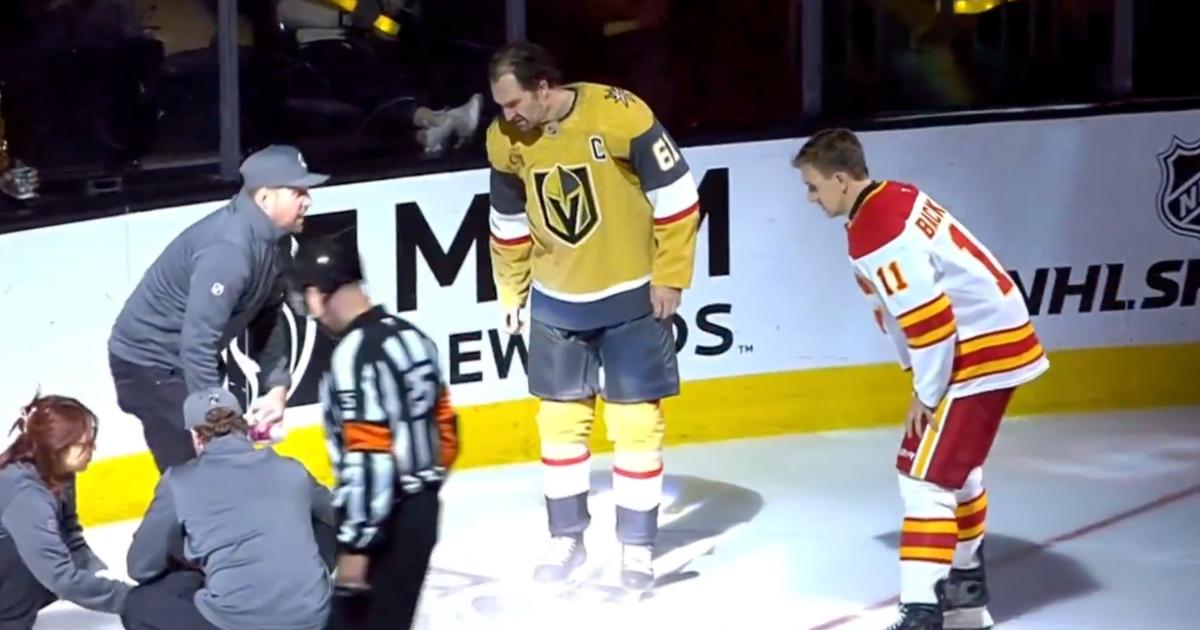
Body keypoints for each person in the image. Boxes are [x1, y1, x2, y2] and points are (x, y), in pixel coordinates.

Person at [793, 128, 1050, 630]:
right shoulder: (893, 196)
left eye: (814, 185)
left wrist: (926, 392)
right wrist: (917, 371)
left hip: (977, 353)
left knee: (924, 477)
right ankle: (967, 602)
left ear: (842, 180)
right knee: (955, 470)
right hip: (988, 340)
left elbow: (930, 321)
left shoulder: (877, 229)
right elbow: (902, 313)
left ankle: (922, 613)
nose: (810, 197)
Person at [485, 40, 700, 590]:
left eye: (514, 103)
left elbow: (678, 198)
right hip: (557, 304)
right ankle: (566, 539)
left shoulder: (621, 113)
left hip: (631, 299)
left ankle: (637, 550)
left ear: (542, 87)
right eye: (500, 106)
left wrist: (671, 275)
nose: (507, 116)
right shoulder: (505, 140)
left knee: (636, 427)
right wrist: (511, 292)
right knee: (559, 429)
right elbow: (507, 224)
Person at [108, 144, 330, 472]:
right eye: (297, 191)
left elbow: (267, 317)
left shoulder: (276, 240)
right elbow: (197, 343)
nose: (308, 200)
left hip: (180, 365)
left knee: (214, 472)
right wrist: (211, 420)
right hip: (150, 367)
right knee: (205, 475)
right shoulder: (229, 251)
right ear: (265, 198)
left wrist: (276, 386)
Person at [282, 235, 459, 630]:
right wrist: (422, 492)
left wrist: (356, 549)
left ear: (317, 294)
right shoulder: (414, 338)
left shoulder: (353, 357)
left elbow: (369, 459)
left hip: (383, 525)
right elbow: (447, 431)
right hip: (421, 514)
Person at [121, 388, 336, 630]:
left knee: (137, 605)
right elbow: (338, 516)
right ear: (243, 426)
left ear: (195, 435)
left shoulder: (179, 482)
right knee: (320, 519)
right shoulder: (292, 469)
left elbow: (141, 567)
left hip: (236, 622)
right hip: (313, 618)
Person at [0, 394, 132, 628]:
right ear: (57, 448)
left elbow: (69, 529)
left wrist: (96, 572)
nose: (93, 449)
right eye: (84, 445)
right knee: (28, 561)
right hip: (11, 574)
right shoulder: (26, 496)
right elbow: (60, 578)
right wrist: (130, 599)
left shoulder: (57, 472)